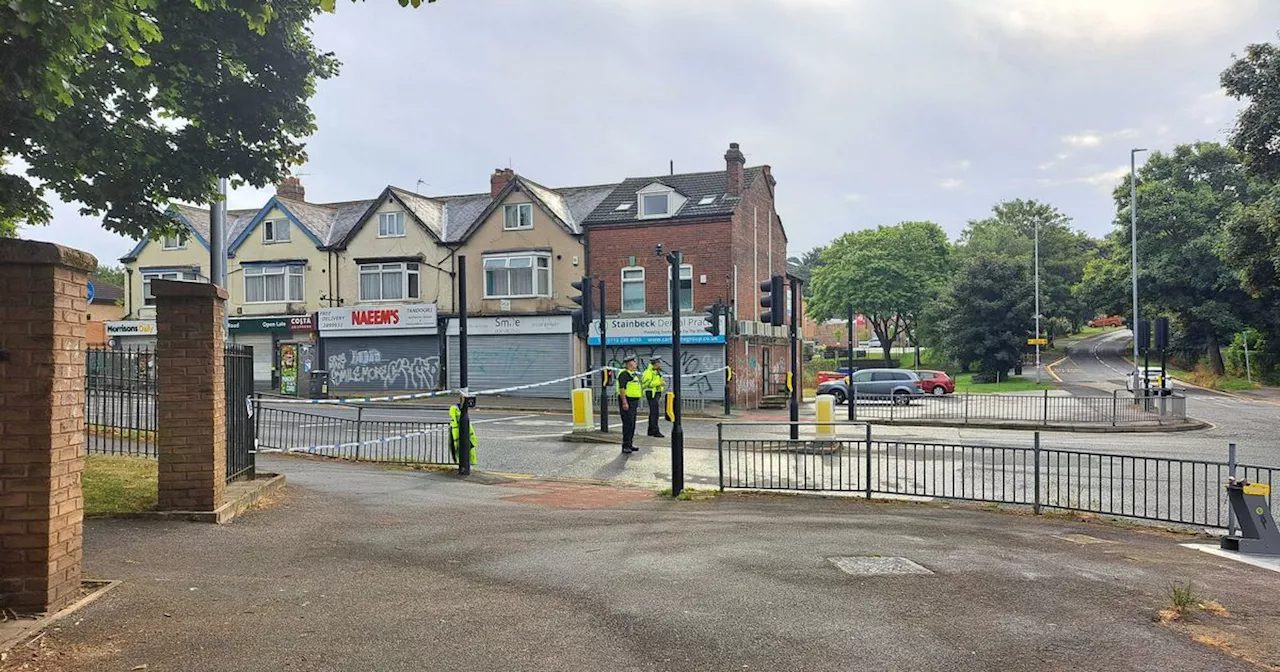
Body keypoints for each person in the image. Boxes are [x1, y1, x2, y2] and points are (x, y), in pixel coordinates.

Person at [616, 355, 643, 453]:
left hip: (633, 402)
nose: (636, 363)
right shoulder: (624, 374)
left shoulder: (632, 374)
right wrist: (624, 402)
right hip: (627, 401)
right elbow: (622, 389)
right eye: (634, 362)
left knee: (632, 424)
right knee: (627, 424)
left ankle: (630, 444)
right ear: (630, 364)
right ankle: (625, 445)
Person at [641, 356, 666, 438]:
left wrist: (661, 384)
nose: (660, 364)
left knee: (653, 413)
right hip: (651, 393)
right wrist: (658, 383)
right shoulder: (648, 372)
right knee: (655, 413)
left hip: (656, 393)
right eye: (659, 363)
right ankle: (655, 431)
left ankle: (650, 431)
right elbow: (646, 384)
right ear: (655, 363)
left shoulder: (657, 371)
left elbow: (659, 380)